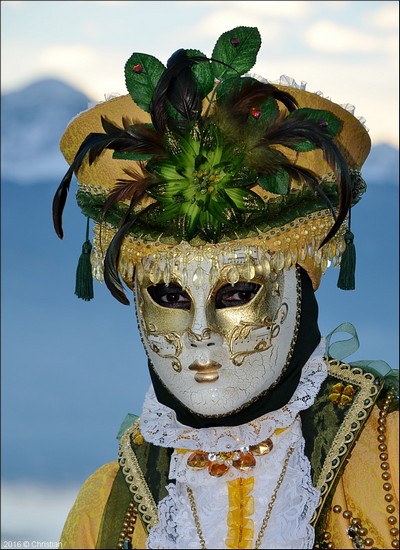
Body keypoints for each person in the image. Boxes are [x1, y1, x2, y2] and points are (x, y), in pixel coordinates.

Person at [53, 26, 398, 550]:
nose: (201, 335)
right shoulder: (109, 509)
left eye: (237, 293)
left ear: (301, 286)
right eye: (168, 296)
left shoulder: (387, 460)